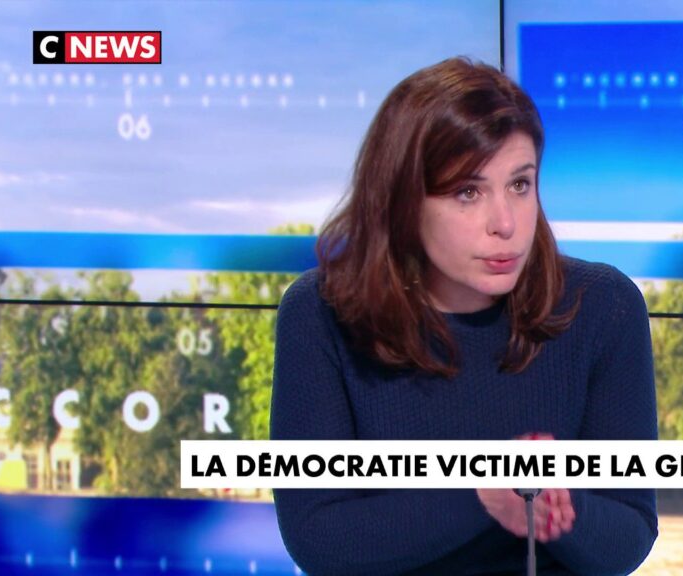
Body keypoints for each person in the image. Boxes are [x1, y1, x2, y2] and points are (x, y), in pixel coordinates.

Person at [270, 56, 658, 576]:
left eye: (519, 185)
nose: (505, 224)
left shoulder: (603, 307)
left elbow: (630, 535)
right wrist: (481, 493)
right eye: (467, 192)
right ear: (402, 201)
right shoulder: (320, 314)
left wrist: (551, 502)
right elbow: (318, 537)